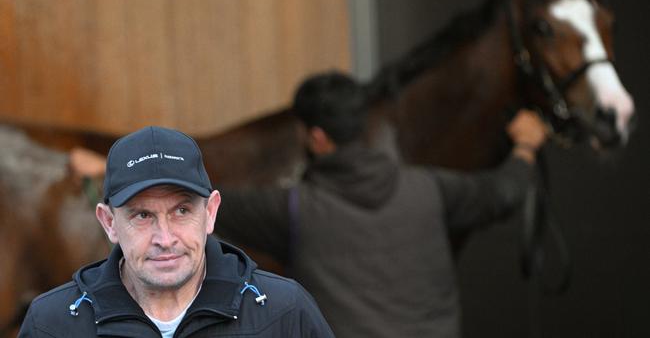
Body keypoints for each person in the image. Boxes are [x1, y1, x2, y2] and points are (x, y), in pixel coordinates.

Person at [213, 71, 548, 338]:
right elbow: (504, 192)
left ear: (316, 138)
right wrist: (526, 147)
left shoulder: (293, 210)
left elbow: (209, 205)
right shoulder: (430, 187)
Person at [18, 126, 335, 337]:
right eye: (142, 215)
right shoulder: (52, 324)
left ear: (210, 213)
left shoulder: (284, 312)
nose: (165, 239)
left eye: (181, 211)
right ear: (109, 222)